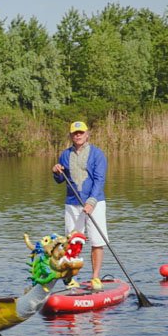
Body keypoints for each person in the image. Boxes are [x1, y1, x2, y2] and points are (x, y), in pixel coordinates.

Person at [52, 120, 108, 290]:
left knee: (97, 241)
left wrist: (91, 202)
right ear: (71, 136)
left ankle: (95, 277)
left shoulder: (97, 154)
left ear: (87, 134)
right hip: (72, 203)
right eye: (75, 133)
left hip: (95, 203)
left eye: (81, 133)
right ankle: (71, 279)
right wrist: (56, 172)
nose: (78, 136)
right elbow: (60, 180)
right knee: (72, 243)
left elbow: (99, 180)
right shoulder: (65, 154)